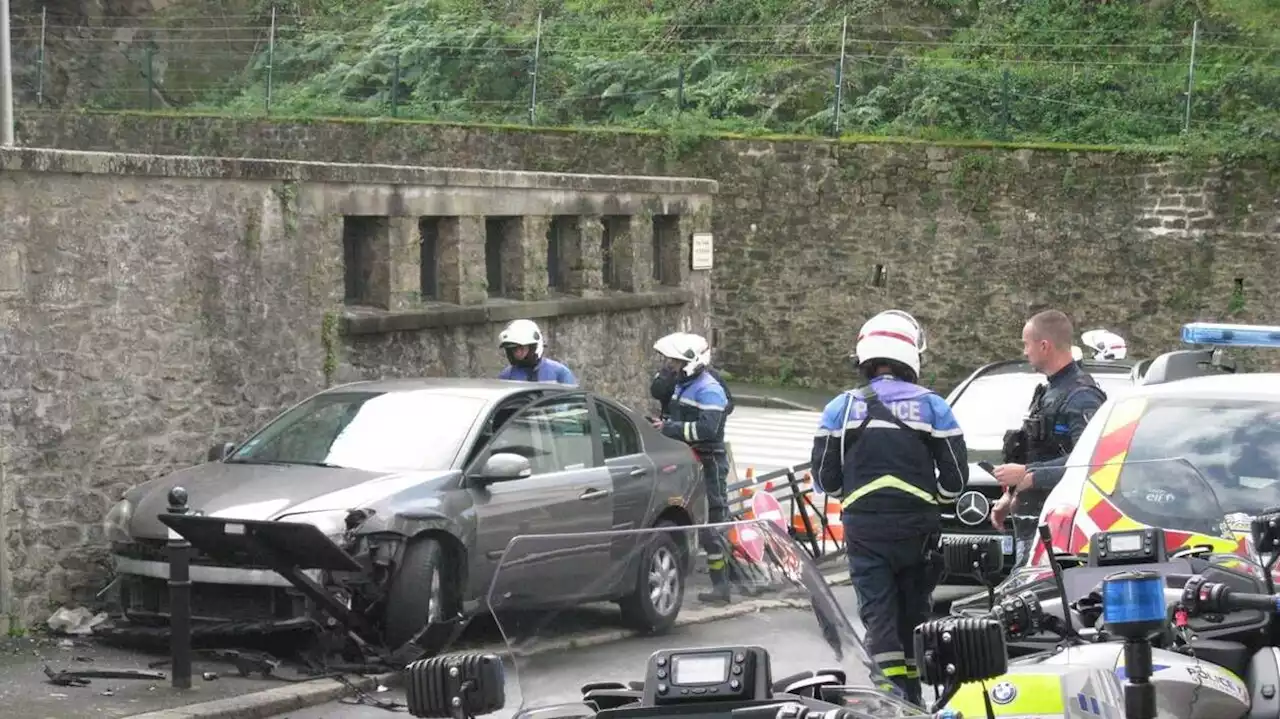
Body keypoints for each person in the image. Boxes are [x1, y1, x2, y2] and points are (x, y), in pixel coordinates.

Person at [810, 310, 968, 704]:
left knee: (879, 617)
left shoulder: (840, 409)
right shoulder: (934, 407)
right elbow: (955, 481)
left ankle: (894, 699)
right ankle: (918, 697)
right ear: (912, 355)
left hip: (866, 530)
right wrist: (934, 504)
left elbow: (826, 481)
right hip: (919, 530)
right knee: (915, 614)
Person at [990, 310, 1108, 564]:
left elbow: (1091, 463)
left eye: (1026, 344)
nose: (1024, 351)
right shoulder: (1048, 392)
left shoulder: (1082, 397)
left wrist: (1029, 474)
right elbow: (1033, 450)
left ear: (1044, 346)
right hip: (1034, 519)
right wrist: (1011, 494)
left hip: (1061, 526)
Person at [649, 332, 735, 604]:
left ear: (689, 361)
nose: (670, 366)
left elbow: (708, 429)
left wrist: (670, 428)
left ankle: (722, 586)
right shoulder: (683, 385)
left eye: (674, 361)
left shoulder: (708, 389)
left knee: (714, 523)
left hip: (708, 462)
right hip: (690, 460)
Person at [649, 332, 736, 419]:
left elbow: (728, 405)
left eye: (676, 360)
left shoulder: (711, 379)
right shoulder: (670, 373)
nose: (672, 363)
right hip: (671, 426)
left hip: (695, 428)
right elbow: (656, 392)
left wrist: (706, 411)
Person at [497, 319, 577, 385]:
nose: (517, 353)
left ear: (533, 347)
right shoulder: (506, 376)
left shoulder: (560, 373)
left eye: (521, 348)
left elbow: (573, 401)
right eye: (513, 349)